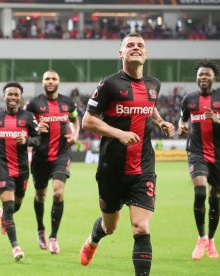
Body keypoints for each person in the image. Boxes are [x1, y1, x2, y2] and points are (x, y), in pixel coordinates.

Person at [79, 32, 175, 275]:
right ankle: (93, 239)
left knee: (141, 227)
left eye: (140, 45)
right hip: (112, 168)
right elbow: (88, 122)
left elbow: (149, 108)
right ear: (120, 53)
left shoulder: (154, 84)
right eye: (129, 45)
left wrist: (161, 121)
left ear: (146, 53)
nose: (136, 47)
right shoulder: (109, 84)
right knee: (109, 226)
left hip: (143, 168)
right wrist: (118, 134)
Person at [25, 70, 80, 254]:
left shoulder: (68, 103)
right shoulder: (34, 104)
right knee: (40, 195)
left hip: (61, 155)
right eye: (47, 79)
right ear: (42, 82)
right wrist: (35, 127)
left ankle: (53, 237)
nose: (50, 81)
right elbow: (24, 124)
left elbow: (75, 119)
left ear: (59, 82)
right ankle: (41, 229)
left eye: (54, 78)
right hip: (40, 157)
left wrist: (75, 133)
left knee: (58, 194)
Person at [0, 81, 41, 261]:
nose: (12, 97)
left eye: (16, 94)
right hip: (2, 168)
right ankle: (16, 246)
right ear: (4, 96)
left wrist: (27, 141)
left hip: (22, 170)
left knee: (15, 206)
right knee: (9, 206)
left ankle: (3, 214)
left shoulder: (28, 117)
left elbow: (38, 139)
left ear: (20, 98)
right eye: (9, 94)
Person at [178, 59, 220, 260]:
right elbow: (183, 119)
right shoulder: (189, 99)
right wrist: (182, 126)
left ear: (214, 77)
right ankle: (201, 237)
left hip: (218, 155)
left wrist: (217, 120)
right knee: (200, 191)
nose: (203, 77)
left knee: (215, 198)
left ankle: (211, 241)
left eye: (207, 75)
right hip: (197, 153)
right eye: (200, 75)